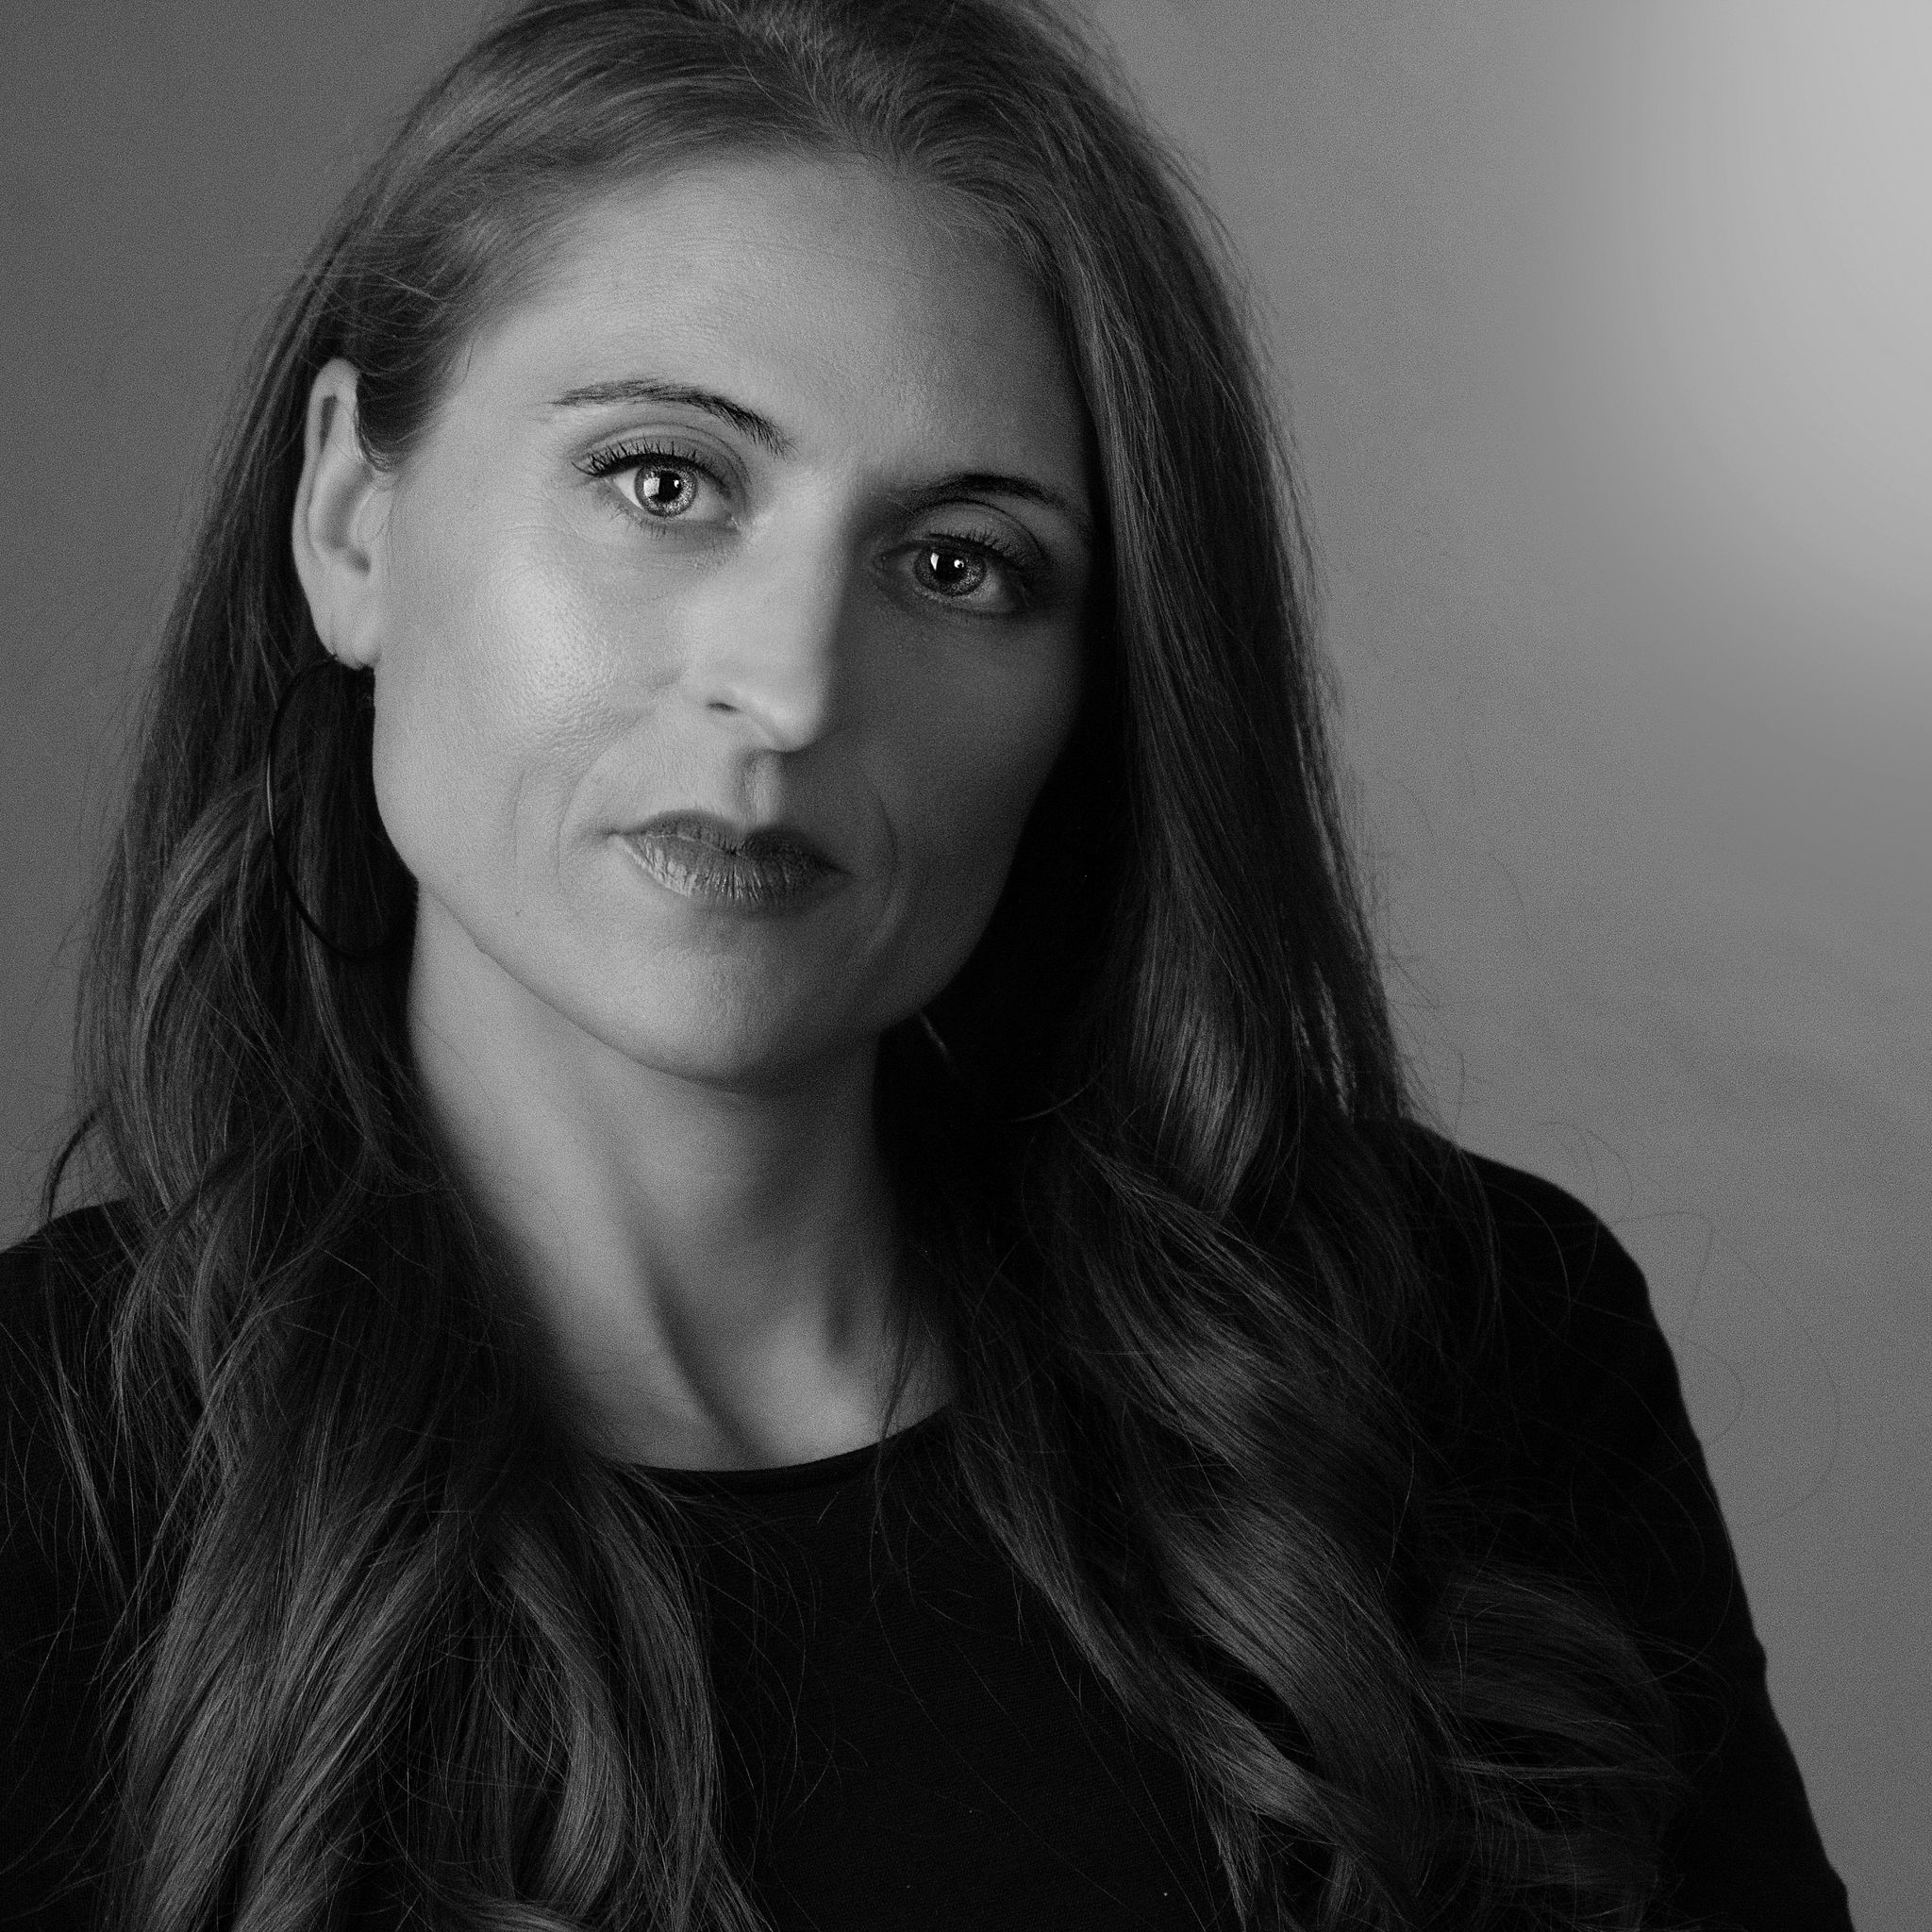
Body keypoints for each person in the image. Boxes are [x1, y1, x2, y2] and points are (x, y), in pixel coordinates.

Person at [0, 2, 1855, 1927]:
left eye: (958, 564)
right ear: (349, 521)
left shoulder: (1468, 1365)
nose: (792, 685)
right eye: (662, 480)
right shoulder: (45, 1486)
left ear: (1089, 695)